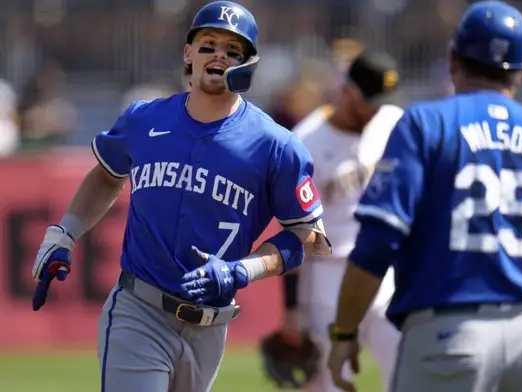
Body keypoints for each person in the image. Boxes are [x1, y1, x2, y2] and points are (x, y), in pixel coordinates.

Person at [29, 2, 331, 392]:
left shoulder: (276, 146)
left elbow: (308, 236)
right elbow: (106, 176)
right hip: (139, 311)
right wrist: (64, 233)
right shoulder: (144, 119)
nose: (218, 55)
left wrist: (243, 270)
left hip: (211, 325)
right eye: (207, 44)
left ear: (248, 65)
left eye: (233, 50)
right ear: (188, 54)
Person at [326, 2, 522, 392]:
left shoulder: (424, 125)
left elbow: (376, 245)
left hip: (447, 334)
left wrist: (343, 334)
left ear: (453, 58)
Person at [259, 50, 404, 391]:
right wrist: (291, 309)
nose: (379, 108)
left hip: (385, 274)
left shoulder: (392, 122)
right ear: (349, 92)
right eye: (372, 100)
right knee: (329, 385)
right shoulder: (306, 142)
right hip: (326, 281)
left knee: (409, 371)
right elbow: (294, 229)